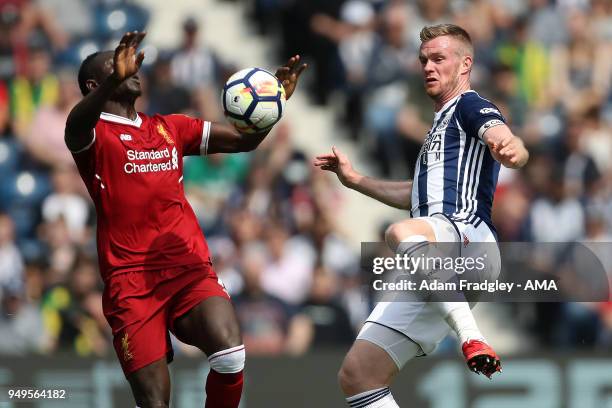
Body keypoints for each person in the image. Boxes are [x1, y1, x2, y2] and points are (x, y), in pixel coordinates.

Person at [64, 31, 306, 408]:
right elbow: (74, 126)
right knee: (155, 402)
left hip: (187, 265)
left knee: (230, 355)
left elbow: (244, 142)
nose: (132, 67)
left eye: (131, 61)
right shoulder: (93, 135)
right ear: (95, 83)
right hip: (131, 282)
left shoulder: (169, 127)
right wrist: (111, 82)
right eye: (116, 64)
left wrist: (269, 108)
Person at [315, 24, 529, 407]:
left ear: (465, 65)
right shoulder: (437, 128)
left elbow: (500, 133)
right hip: (436, 255)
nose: (428, 66)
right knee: (358, 375)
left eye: (438, 58)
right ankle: (466, 332)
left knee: (400, 232)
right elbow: (412, 194)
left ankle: (469, 335)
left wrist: (511, 146)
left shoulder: (468, 105)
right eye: (423, 60)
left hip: (469, 240)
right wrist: (355, 180)